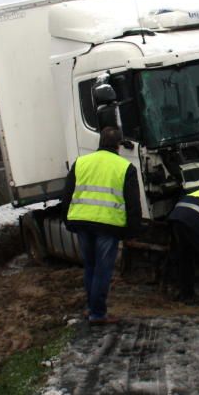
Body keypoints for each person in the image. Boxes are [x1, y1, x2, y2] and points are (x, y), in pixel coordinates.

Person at [60, 127, 141, 325]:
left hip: (82, 222)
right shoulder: (125, 167)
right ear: (118, 145)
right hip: (108, 225)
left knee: (90, 266)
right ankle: (98, 313)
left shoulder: (81, 163)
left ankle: (91, 308)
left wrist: (67, 220)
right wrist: (132, 231)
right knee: (103, 270)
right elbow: (133, 203)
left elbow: (67, 196)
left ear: (99, 143)